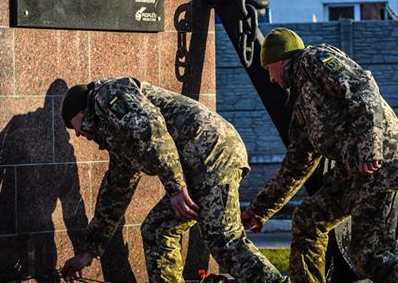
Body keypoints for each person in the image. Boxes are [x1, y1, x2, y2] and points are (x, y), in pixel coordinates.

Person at [241, 28, 398, 283]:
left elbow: (363, 87)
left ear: (279, 61)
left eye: (268, 70)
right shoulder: (300, 105)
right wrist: (259, 210)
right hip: (353, 171)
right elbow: (296, 166)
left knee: (368, 255)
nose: (270, 79)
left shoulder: (314, 60)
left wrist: (369, 147)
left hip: (381, 162)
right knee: (308, 219)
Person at [59, 77, 284, 283]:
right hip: (197, 163)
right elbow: (116, 190)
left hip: (213, 153)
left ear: (81, 113)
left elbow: (151, 128)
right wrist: (91, 250)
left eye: (74, 126)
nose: (78, 134)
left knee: (223, 239)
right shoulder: (113, 131)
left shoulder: (109, 96)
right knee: (157, 229)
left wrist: (176, 189)